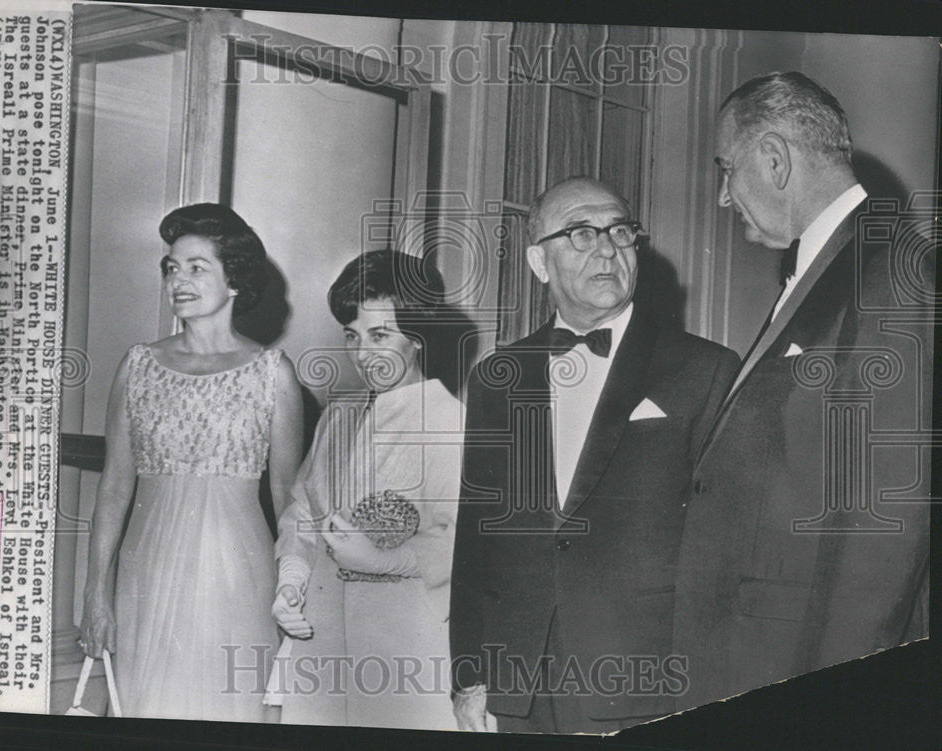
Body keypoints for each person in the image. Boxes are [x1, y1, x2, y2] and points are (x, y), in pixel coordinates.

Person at [673, 72, 934, 709]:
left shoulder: (889, 274)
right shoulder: (829, 267)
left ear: (774, 158)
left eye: (726, 170)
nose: (723, 198)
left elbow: (884, 528)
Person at [449, 177, 740, 734]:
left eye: (620, 232)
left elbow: (722, 544)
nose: (607, 249)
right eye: (581, 234)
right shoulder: (496, 377)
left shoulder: (705, 370)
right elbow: (476, 538)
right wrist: (470, 674)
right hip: (518, 682)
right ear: (539, 262)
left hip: (645, 679)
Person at [79, 203, 304, 721]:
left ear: (235, 281)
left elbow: (290, 503)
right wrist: (96, 590)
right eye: (171, 267)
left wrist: (293, 598)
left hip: (238, 575)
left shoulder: (273, 374)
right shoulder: (138, 366)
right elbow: (113, 488)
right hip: (146, 570)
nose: (178, 279)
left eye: (197, 267)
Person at [268, 249, 463, 730]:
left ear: (417, 338)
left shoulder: (451, 422)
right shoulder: (338, 415)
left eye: (380, 335)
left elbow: (461, 543)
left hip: (405, 645)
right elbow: (302, 513)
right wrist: (290, 582)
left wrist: (384, 561)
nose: (363, 354)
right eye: (352, 336)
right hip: (323, 634)